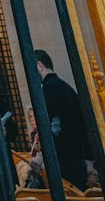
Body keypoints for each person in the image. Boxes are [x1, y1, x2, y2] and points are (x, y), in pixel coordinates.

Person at [33, 50, 93, 190]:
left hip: (62, 161)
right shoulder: (67, 88)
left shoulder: (48, 89)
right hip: (78, 159)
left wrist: (42, 155)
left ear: (39, 66)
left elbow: (52, 128)